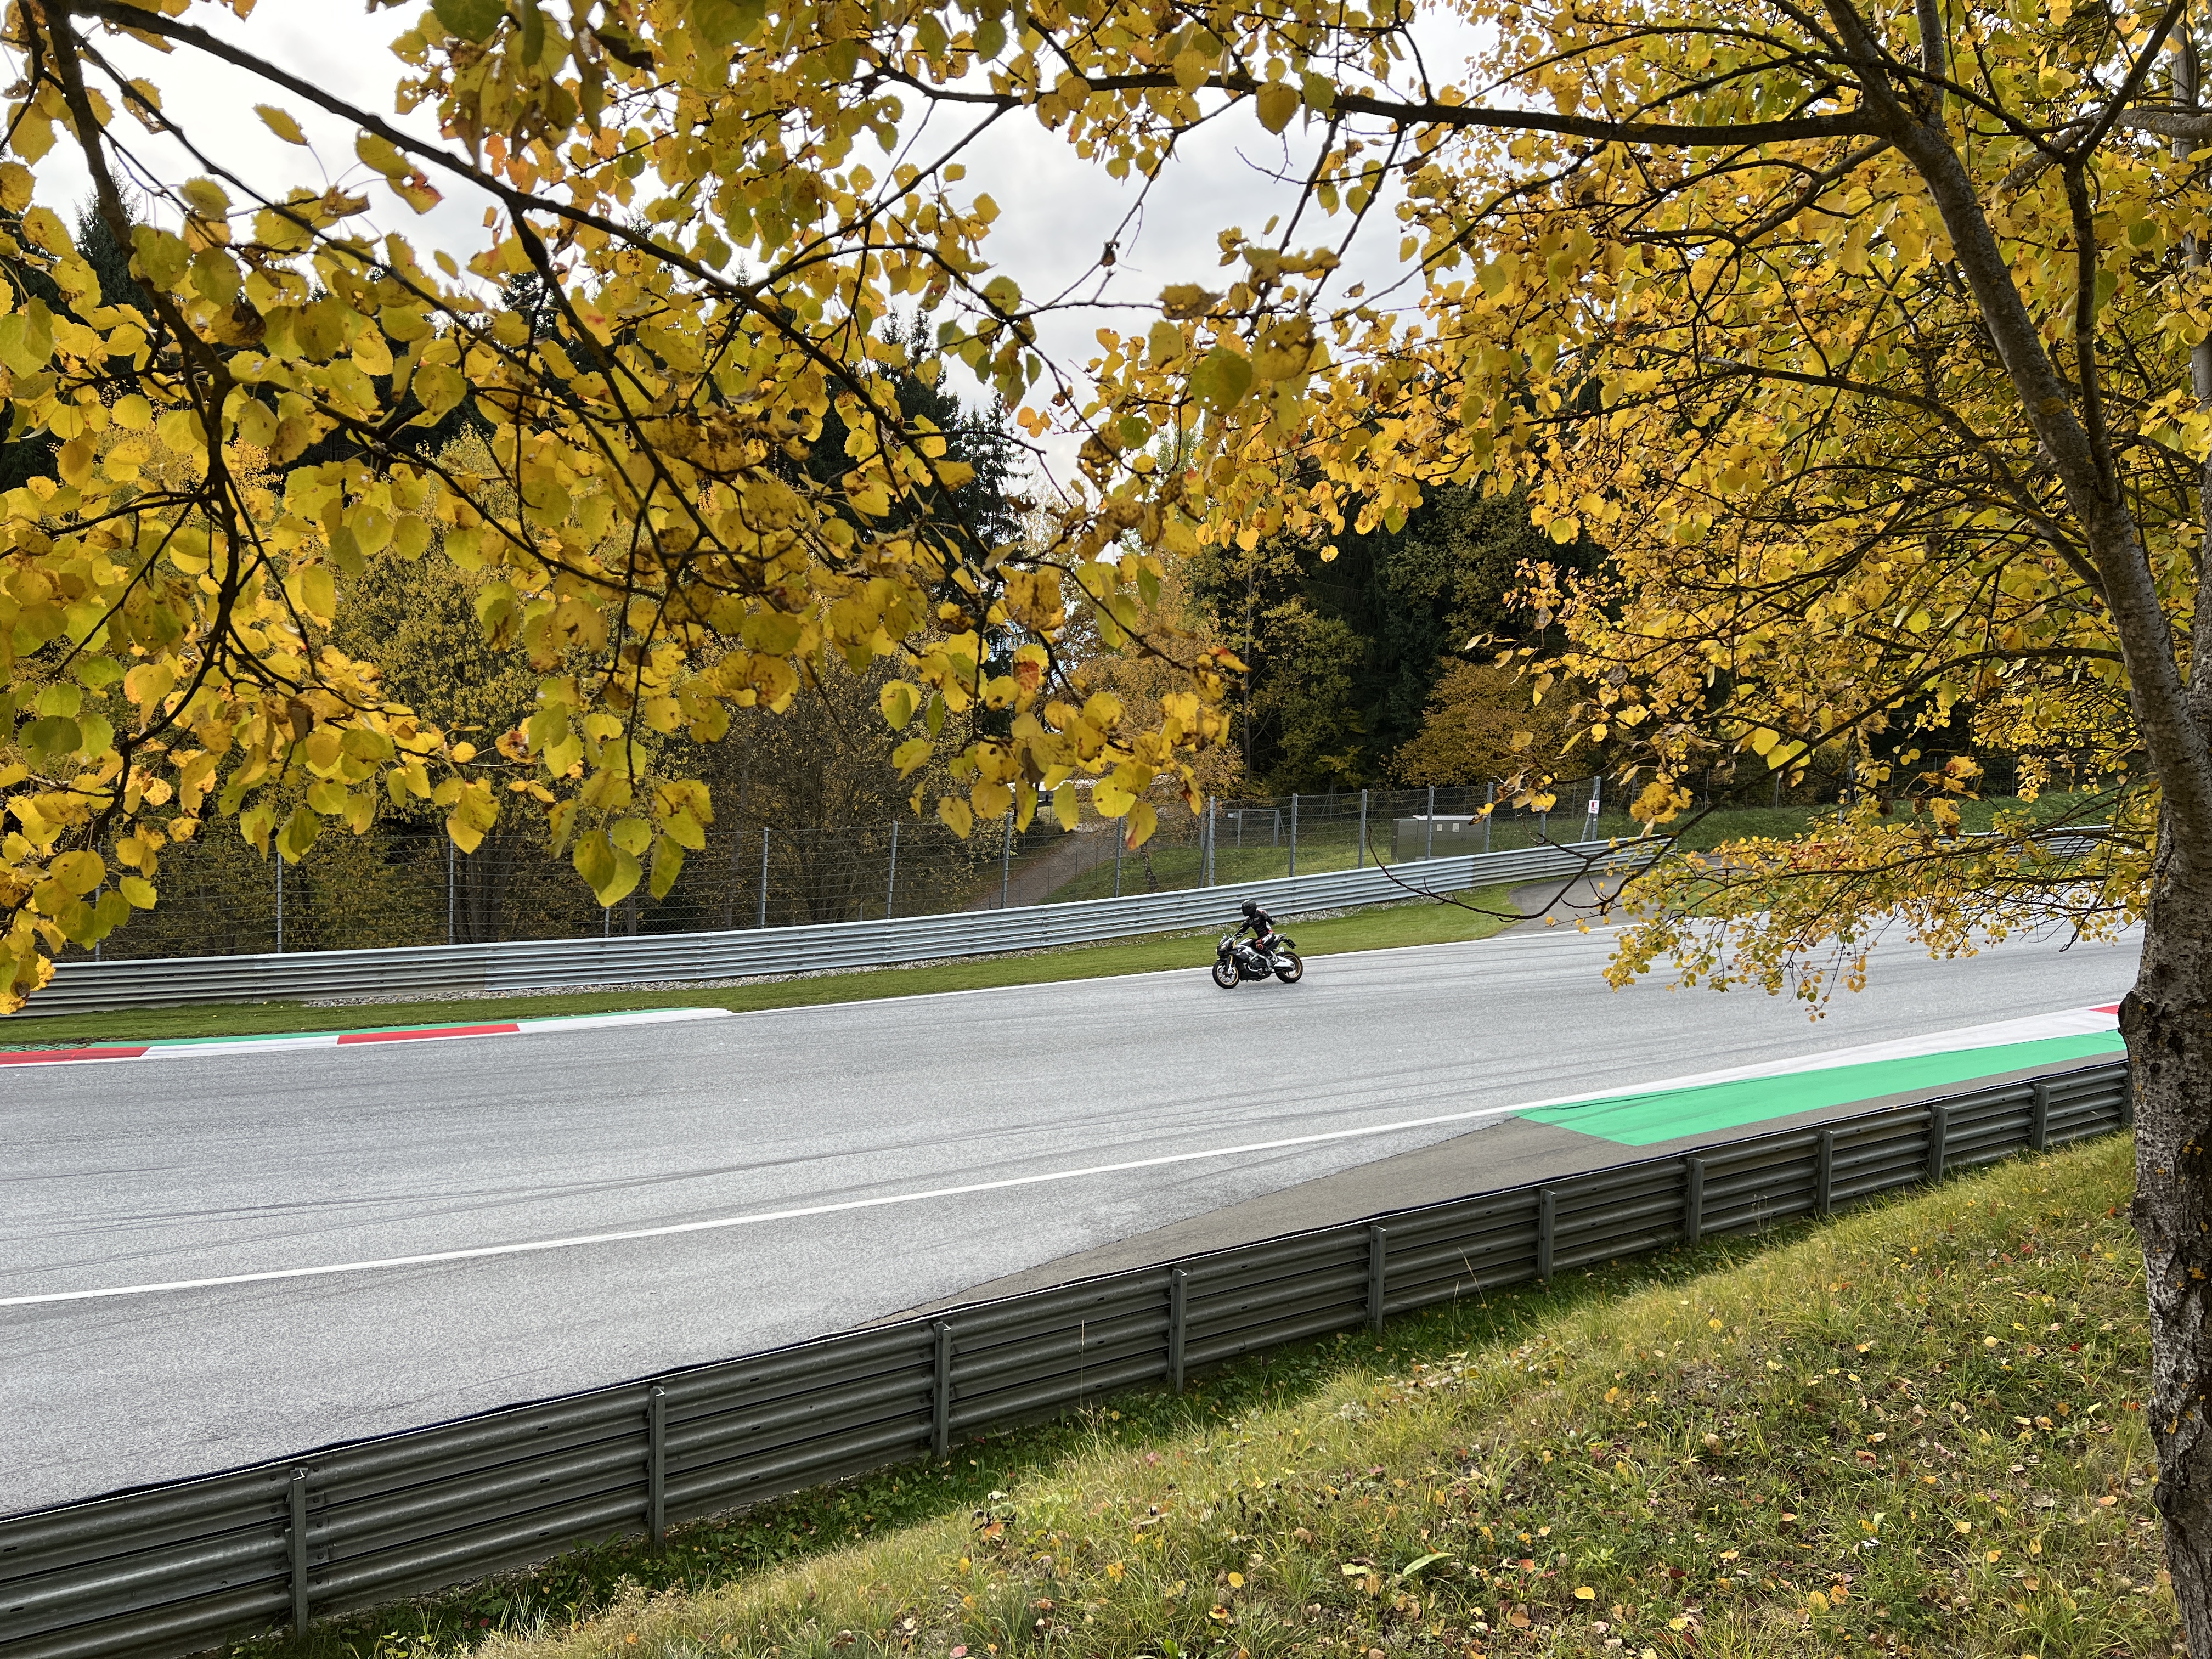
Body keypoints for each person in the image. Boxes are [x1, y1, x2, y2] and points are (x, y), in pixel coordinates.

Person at [1232, 898, 1279, 962]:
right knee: (1249, 944)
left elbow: (1270, 920)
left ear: (1251, 908)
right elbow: (1242, 929)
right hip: (1261, 937)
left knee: (1258, 944)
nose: (1245, 910)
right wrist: (1233, 937)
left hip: (1269, 934)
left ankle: (1272, 958)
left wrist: (1270, 920)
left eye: (1246, 909)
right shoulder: (1249, 920)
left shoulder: (1261, 913)